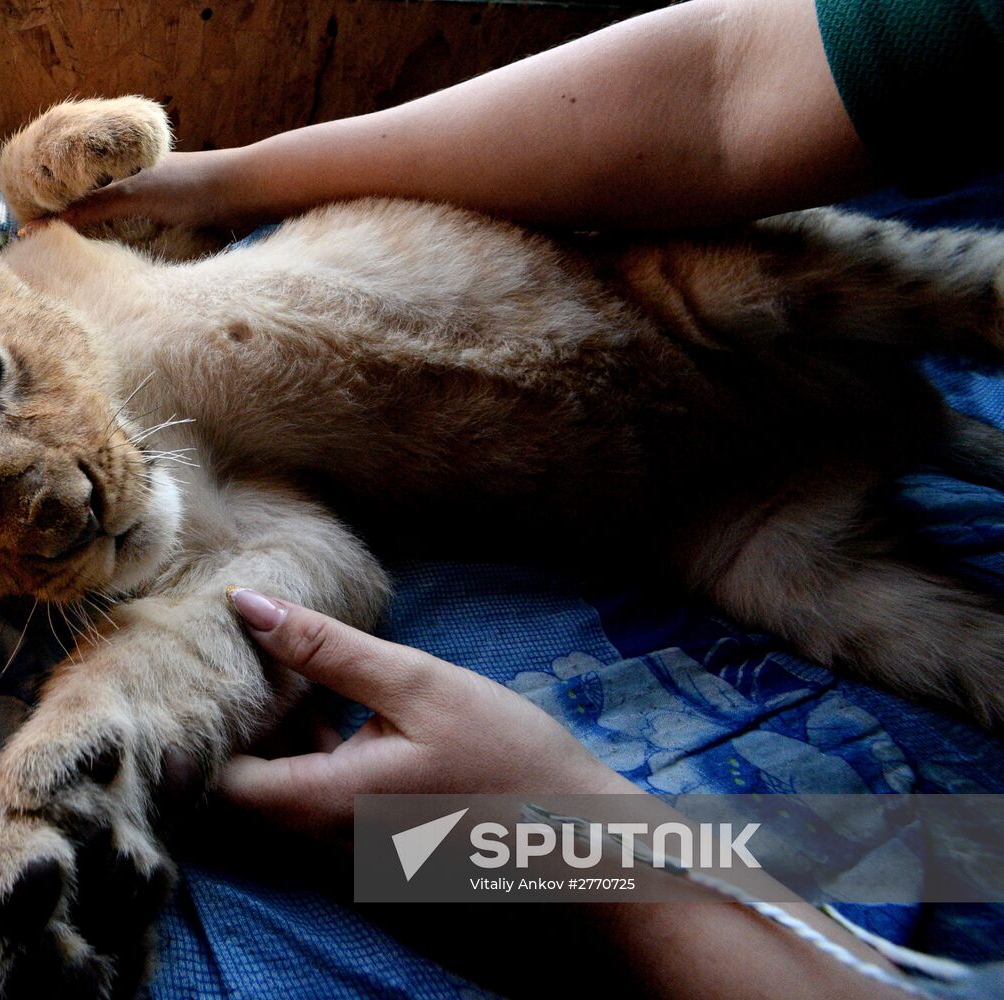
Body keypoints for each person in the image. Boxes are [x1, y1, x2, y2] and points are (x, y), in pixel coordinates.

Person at [53, 0, 1002, 994]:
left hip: (692, 466)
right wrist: (224, 178)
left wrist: (466, 846)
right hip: (707, 481)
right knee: (894, 574)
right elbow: (722, 91)